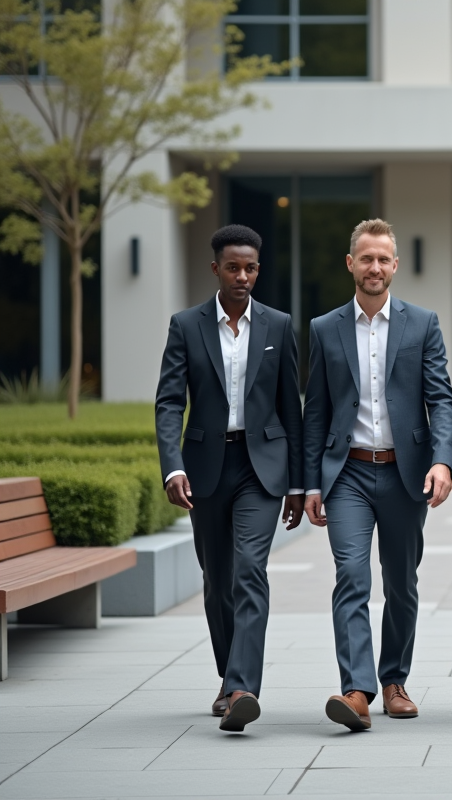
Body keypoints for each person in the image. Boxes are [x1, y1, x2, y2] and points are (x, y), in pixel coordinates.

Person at [302, 218, 452, 731]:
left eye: (382, 259)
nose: (374, 267)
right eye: (365, 258)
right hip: (346, 473)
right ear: (351, 263)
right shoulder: (325, 328)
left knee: (401, 583)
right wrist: (311, 483)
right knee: (351, 575)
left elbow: (441, 398)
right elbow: (316, 412)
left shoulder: (423, 323)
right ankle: (357, 689)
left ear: (395, 264)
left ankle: (394, 681)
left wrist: (442, 460)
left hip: (404, 474)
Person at [155, 224, 305, 733]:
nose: (243, 276)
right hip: (205, 470)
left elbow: (292, 408)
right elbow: (170, 401)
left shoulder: (279, 325)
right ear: (215, 268)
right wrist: (172, 465)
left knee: (249, 572)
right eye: (234, 267)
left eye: (251, 268)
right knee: (217, 581)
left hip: (261, 469)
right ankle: (228, 677)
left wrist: (299, 484)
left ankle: (243, 686)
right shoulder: (186, 325)